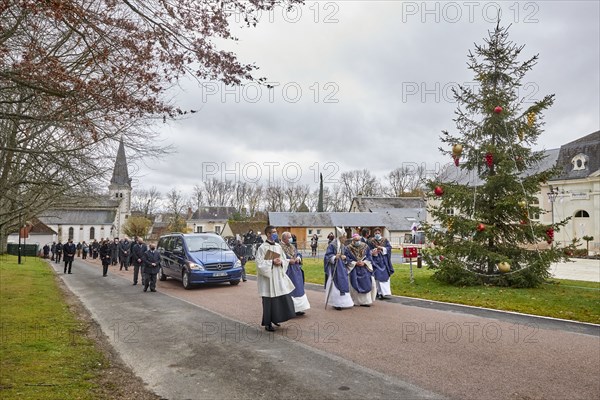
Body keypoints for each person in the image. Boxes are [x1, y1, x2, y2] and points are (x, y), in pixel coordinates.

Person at [255, 225, 296, 332]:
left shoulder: (278, 246)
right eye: (273, 232)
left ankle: (276, 318)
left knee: (279, 300)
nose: (275, 234)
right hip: (268, 280)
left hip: (277, 277)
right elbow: (259, 264)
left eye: (275, 232)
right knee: (269, 301)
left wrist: (281, 262)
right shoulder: (262, 248)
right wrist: (272, 262)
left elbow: (284, 259)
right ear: (268, 234)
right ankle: (268, 323)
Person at [323, 228, 354, 310]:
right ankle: (336, 303)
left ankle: (344, 302)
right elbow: (327, 256)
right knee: (335, 285)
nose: (346, 239)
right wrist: (334, 257)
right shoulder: (332, 245)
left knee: (343, 283)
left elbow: (348, 257)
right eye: (345, 237)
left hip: (342, 269)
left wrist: (345, 258)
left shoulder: (343, 246)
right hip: (335, 269)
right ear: (341, 237)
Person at [281, 232, 310, 316]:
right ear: (284, 238)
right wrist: (288, 261)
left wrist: (298, 258)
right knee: (290, 290)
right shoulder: (279, 247)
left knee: (298, 288)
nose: (291, 239)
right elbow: (279, 259)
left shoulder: (292, 246)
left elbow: (298, 254)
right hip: (288, 271)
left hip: (296, 270)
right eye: (289, 237)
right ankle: (289, 309)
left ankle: (298, 308)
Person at [345, 234, 376, 307]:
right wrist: (355, 263)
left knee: (367, 282)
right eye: (356, 240)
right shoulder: (348, 248)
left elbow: (369, 257)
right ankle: (355, 301)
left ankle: (366, 301)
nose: (357, 242)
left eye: (358, 240)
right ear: (352, 240)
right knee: (353, 283)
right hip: (354, 268)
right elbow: (347, 258)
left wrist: (364, 262)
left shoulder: (365, 246)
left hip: (364, 268)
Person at [368, 228, 395, 300]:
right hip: (375, 261)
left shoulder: (385, 240)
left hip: (384, 261)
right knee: (377, 276)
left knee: (384, 276)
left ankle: (385, 292)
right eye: (375, 233)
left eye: (378, 233)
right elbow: (368, 250)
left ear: (381, 233)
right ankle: (379, 292)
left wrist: (383, 248)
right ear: (374, 234)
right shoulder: (371, 241)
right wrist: (373, 252)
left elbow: (389, 248)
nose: (377, 234)